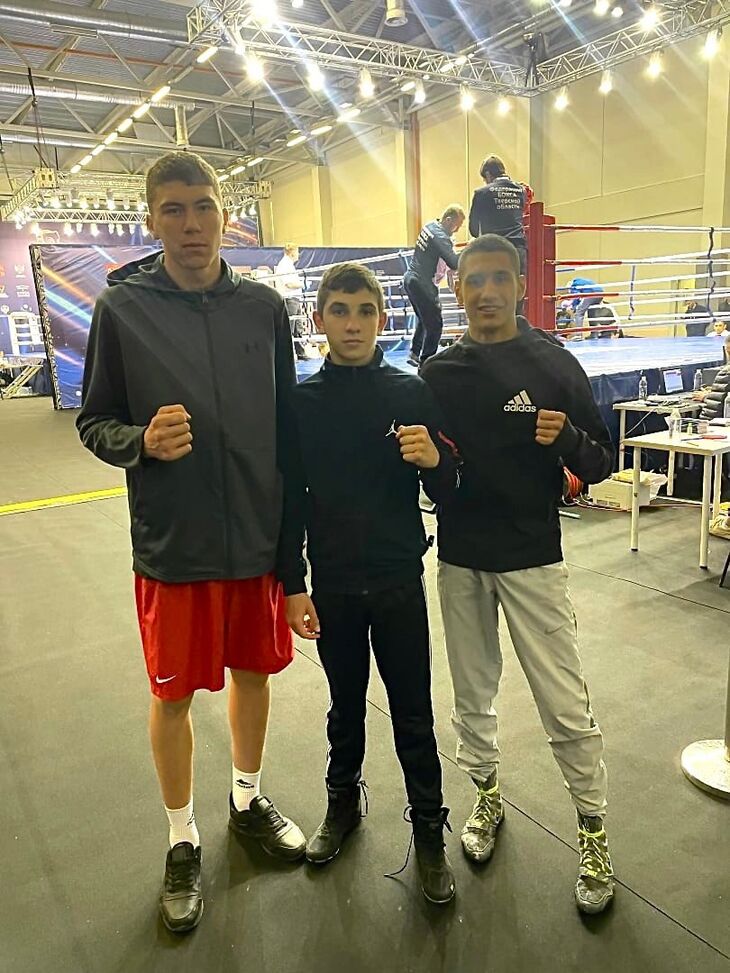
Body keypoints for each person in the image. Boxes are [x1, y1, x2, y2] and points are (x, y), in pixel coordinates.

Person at [76, 151, 305, 934]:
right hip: (174, 544)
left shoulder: (263, 309)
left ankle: (246, 798)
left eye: (203, 206)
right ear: (151, 219)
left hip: (255, 537)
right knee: (172, 695)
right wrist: (139, 440)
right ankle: (181, 838)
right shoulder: (122, 308)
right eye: (173, 209)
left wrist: (292, 555)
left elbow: (288, 426)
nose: (191, 223)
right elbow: (93, 421)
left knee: (254, 674)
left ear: (224, 214)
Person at [420, 234, 616, 916]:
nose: (486, 292)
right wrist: (429, 464)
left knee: (563, 701)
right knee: (472, 693)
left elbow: (601, 461)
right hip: (462, 557)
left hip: (533, 556)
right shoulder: (439, 373)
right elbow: (435, 474)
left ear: (520, 285)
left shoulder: (552, 362)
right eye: (474, 280)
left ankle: (593, 828)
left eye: (499, 278)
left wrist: (567, 439)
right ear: (457, 289)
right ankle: (486, 793)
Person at [277, 262, 460, 904]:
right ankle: (342, 806)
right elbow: (289, 500)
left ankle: (429, 832)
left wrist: (435, 462)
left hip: (397, 580)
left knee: (413, 712)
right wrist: (292, 583)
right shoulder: (300, 403)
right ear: (319, 318)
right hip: (332, 584)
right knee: (344, 705)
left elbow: (449, 487)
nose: (352, 324)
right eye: (339, 311)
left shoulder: (410, 392)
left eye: (364, 312)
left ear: (382, 319)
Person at [404, 205, 465, 369]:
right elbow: (454, 263)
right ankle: (426, 362)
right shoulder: (440, 236)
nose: (456, 230)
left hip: (410, 278)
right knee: (435, 325)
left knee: (424, 319)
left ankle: (414, 352)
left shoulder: (430, 226)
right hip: (423, 283)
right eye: (456, 226)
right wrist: (471, 251)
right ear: (448, 220)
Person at [468, 156, 528, 277]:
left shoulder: (481, 193)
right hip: (518, 251)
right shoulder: (521, 191)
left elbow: (473, 229)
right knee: (517, 287)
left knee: (494, 288)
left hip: (494, 252)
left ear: (488, 174)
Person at [276, 243, 314, 359]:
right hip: (289, 298)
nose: (298, 254)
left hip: (295, 298)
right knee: (290, 328)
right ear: (292, 252)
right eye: (297, 251)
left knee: (298, 327)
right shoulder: (284, 265)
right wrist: (303, 284)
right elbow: (289, 284)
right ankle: (287, 356)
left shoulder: (289, 265)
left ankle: (300, 352)